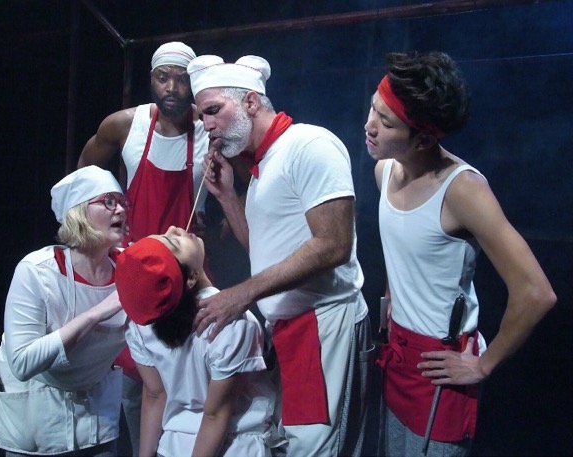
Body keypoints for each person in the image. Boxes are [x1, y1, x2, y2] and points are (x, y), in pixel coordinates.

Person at [364, 51, 557, 457]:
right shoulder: (386, 170)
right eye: (372, 109)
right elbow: (403, 256)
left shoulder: (462, 189)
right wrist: (390, 304)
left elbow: (536, 292)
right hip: (398, 353)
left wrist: (483, 366)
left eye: (386, 121)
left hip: (440, 368)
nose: (370, 127)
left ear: (424, 138)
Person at [186, 54, 374, 457]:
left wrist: (243, 294)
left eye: (214, 111)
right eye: (203, 118)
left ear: (251, 102)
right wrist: (227, 195)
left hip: (322, 325)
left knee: (316, 450)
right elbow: (265, 252)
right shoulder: (261, 166)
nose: (208, 126)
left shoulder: (309, 145)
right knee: (295, 445)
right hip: (289, 327)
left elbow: (335, 244)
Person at [77, 41, 211, 455]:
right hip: (134, 269)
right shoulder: (124, 125)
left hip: (185, 268)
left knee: (190, 375)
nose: (172, 87)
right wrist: (106, 223)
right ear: (150, 78)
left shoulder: (210, 129)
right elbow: (83, 180)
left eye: (182, 78)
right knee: (137, 382)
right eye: (162, 76)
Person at [0, 165, 130, 456]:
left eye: (123, 202)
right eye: (109, 202)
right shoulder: (37, 272)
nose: (121, 211)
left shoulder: (130, 270)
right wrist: (95, 314)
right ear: (78, 213)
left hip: (96, 414)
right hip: (36, 414)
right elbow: (23, 363)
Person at [115, 226, 283, 457]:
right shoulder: (231, 324)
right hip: (233, 447)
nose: (176, 228)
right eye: (174, 242)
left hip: (172, 447)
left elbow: (155, 395)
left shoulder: (141, 325)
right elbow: (215, 414)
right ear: (191, 277)